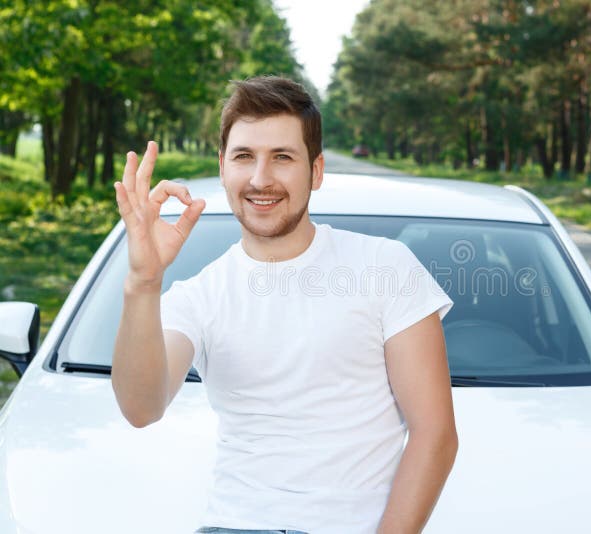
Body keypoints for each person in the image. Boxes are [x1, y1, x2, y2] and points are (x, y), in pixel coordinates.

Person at [110, 76, 458, 534]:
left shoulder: (384, 266)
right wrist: (143, 281)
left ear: (315, 171)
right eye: (243, 157)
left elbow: (436, 435)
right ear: (222, 167)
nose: (260, 179)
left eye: (282, 157)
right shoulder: (200, 295)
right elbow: (140, 408)